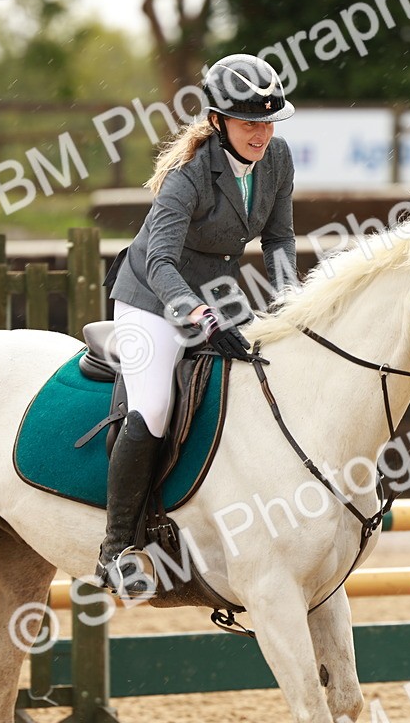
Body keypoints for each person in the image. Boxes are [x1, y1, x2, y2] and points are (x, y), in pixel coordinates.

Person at [98, 53, 299, 593]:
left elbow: (279, 240)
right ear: (218, 122)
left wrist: (290, 303)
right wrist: (200, 317)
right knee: (155, 403)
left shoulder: (277, 159)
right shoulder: (188, 175)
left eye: (268, 120)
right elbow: (161, 261)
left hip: (215, 291)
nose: (261, 132)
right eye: (248, 121)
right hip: (150, 298)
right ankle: (116, 545)